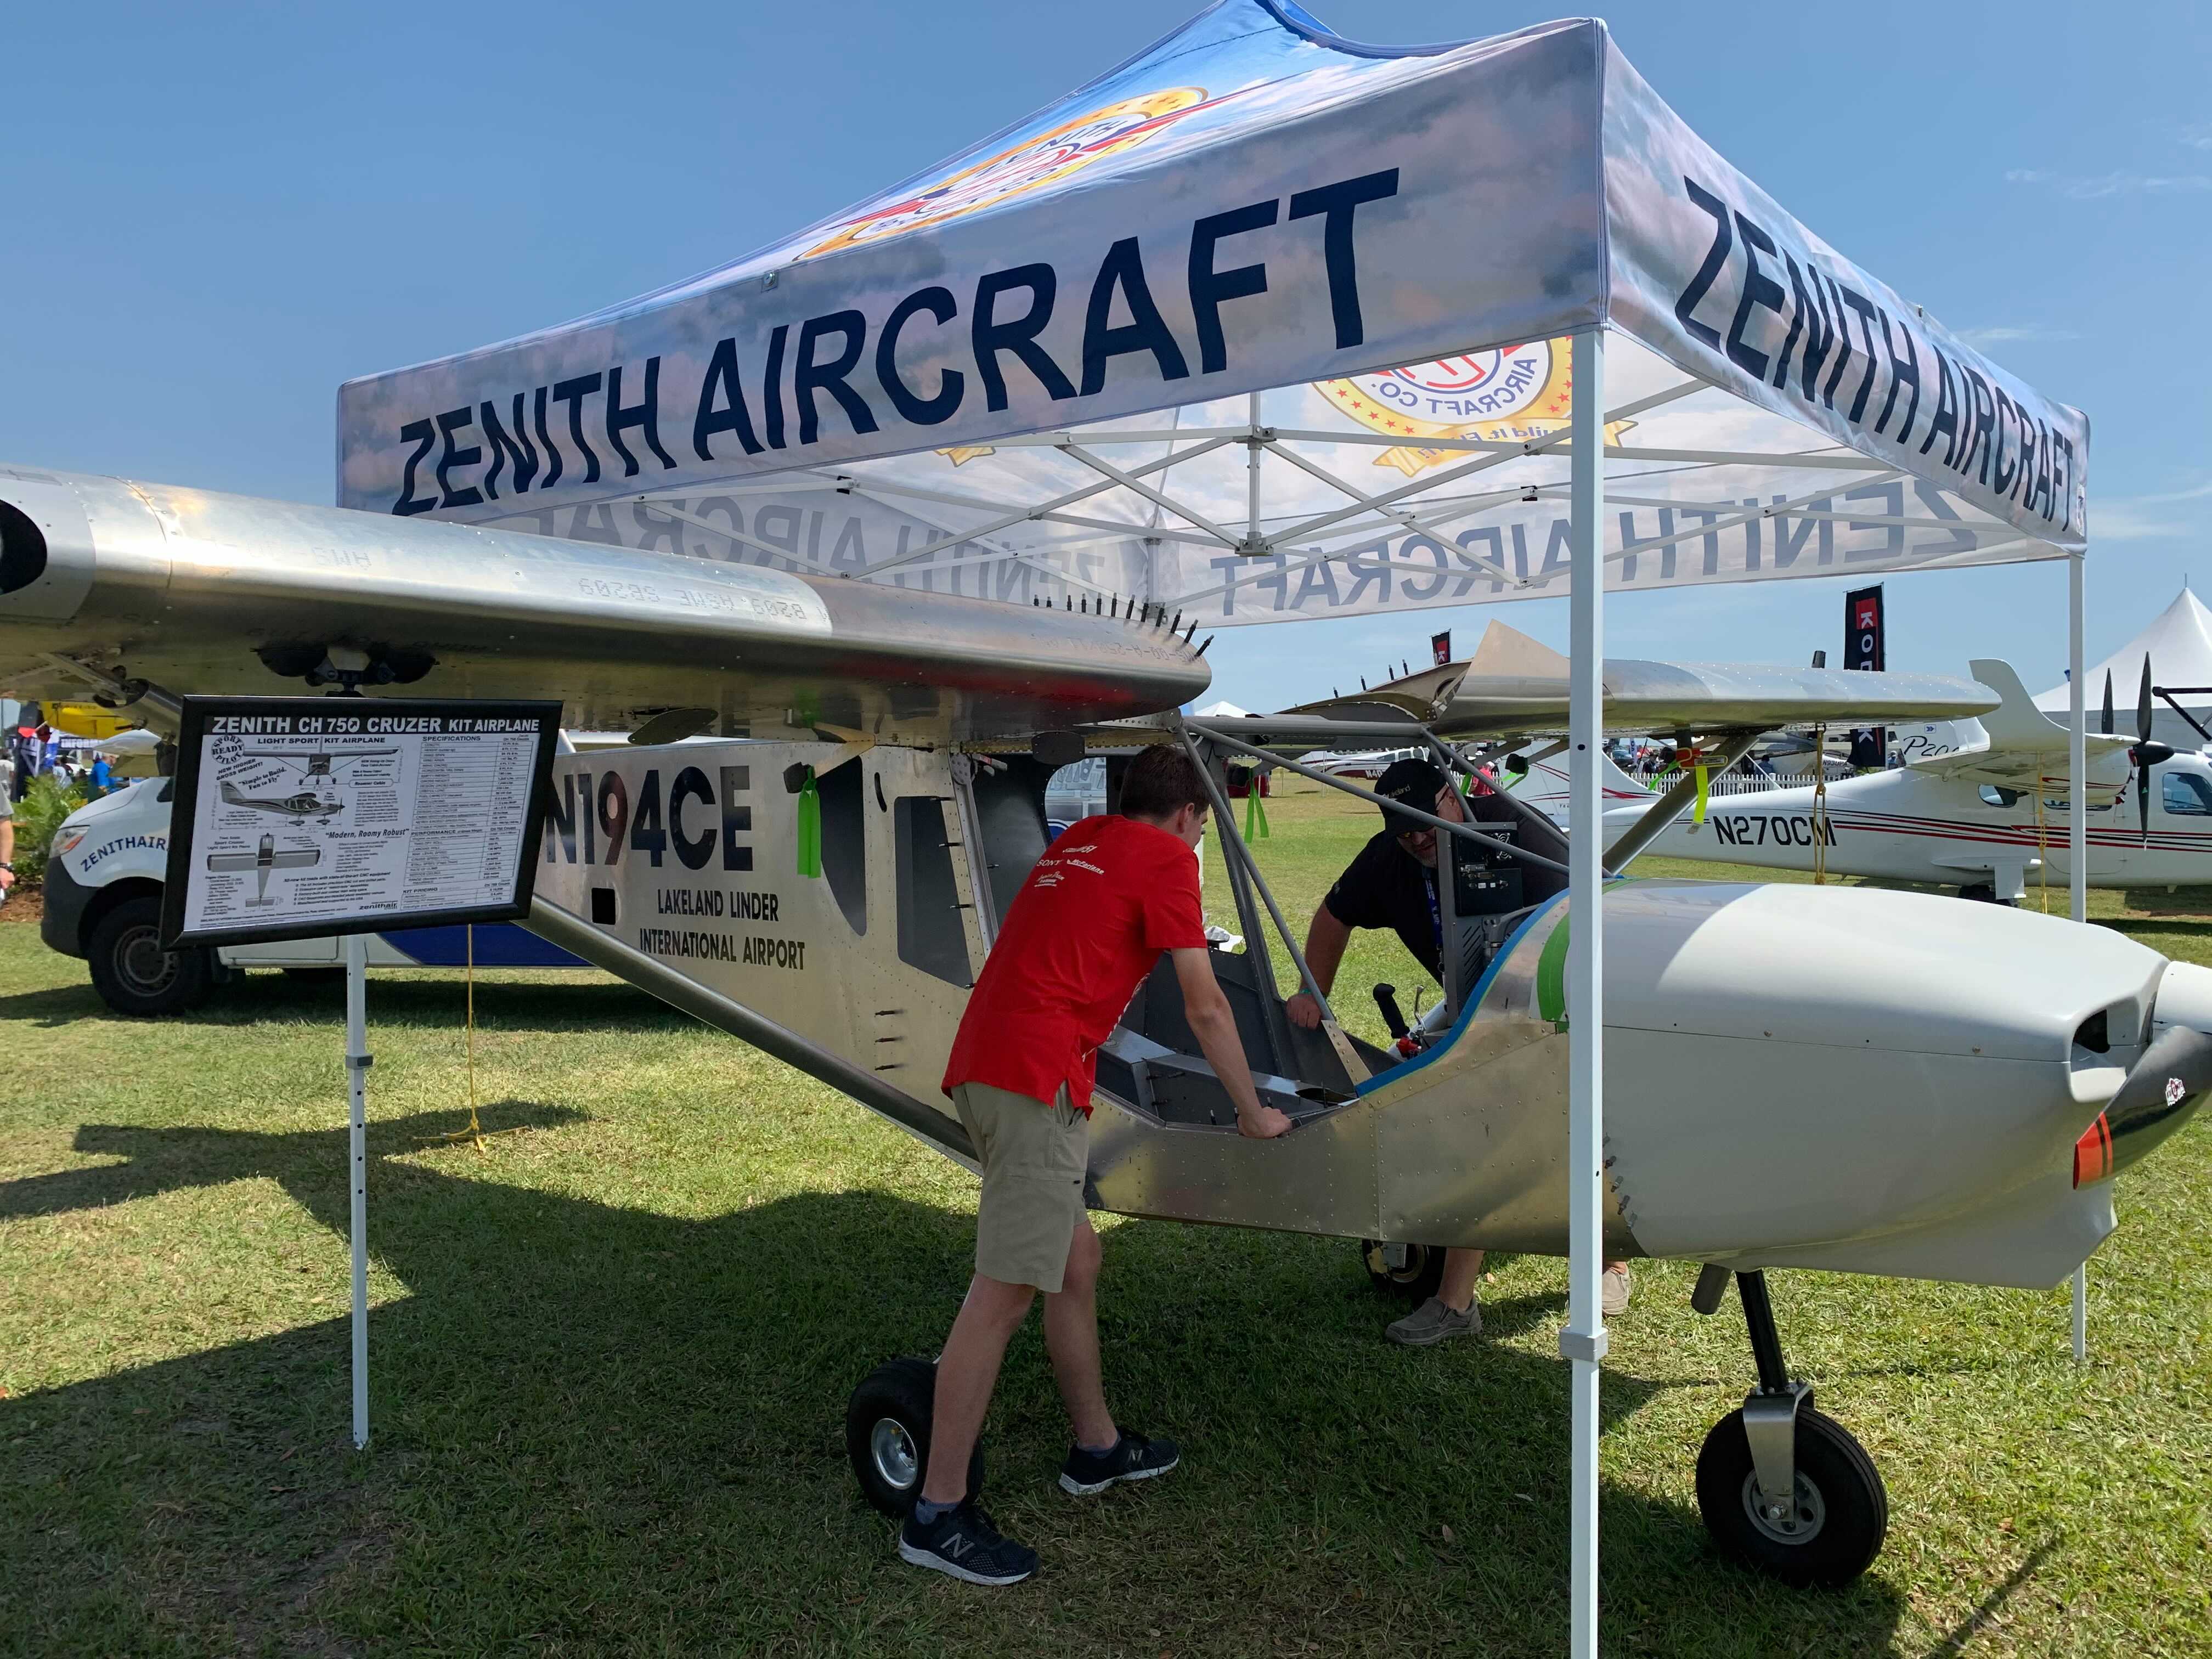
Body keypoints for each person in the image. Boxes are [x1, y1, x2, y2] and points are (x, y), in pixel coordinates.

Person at [903, 744, 1294, 1585]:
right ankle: (936, 1511)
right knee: (1002, 1293)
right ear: (1190, 817)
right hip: (1030, 1078)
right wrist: (1253, 1112)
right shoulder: (1164, 858)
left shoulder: (1078, 843)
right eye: (1201, 822)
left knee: (1076, 1258)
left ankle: (1097, 1447)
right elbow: (1204, 1001)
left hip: (991, 1065)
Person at [1284, 757, 1632, 1346]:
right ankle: (1452, 1291)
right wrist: (1310, 993)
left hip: (1558, 995)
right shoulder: (1389, 856)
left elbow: (1593, 912)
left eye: (1426, 821)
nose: (1417, 838)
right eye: (1403, 829)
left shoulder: (1514, 829)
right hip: (1476, 1005)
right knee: (1468, 1124)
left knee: (1559, 1126)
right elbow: (1332, 915)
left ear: (1452, 797)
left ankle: (1603, 1264)